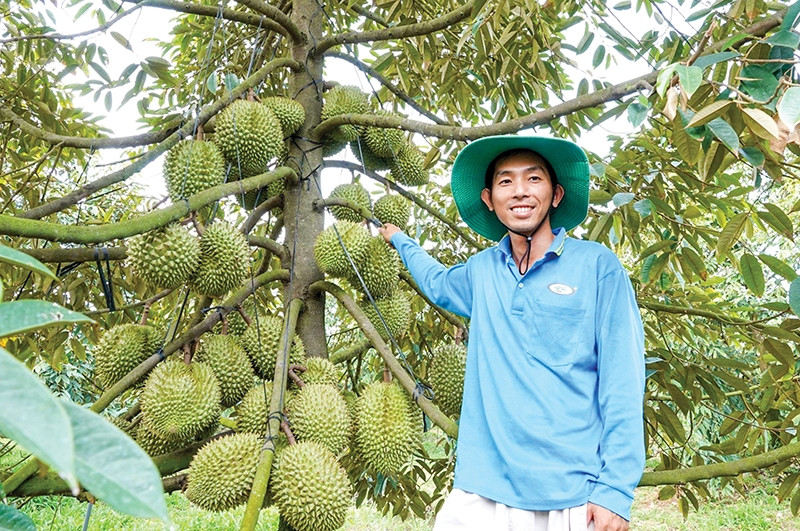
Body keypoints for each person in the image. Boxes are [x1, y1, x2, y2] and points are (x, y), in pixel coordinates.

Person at [378, 135, 645, 531]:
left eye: (533, 179)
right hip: (481, 488)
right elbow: (436, 281)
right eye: (505, 181)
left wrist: (615, 490)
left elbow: (622, 380)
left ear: (555, 195)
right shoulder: (481, 270)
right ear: (489, 199)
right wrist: (399, 240)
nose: (519, 191)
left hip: (570, 491)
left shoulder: (597, 267)